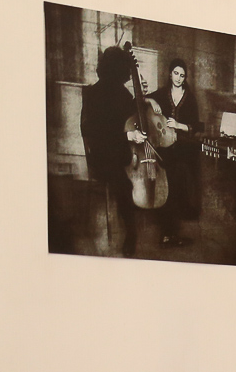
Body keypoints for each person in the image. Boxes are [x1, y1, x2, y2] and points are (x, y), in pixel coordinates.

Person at [79, 43, 147, 257]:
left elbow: (133, 116)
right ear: (118, 70)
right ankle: (131, 233)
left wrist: (143, 97)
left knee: (127, 172)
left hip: (120, 152)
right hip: (102, 155)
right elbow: (94, 131)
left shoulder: (122, 93)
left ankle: (136, 210)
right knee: (123, 182)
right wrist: (128, 136)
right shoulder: (93, 94)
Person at [147, 57, 203, 249]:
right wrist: (150, 100)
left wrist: (179, 125)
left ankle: (171, 228)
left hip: (184, 146)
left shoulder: (190, 97)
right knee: (167, 174)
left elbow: (196, 126)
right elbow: (139, 99)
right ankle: (168, 231)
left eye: (182, 75)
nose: (179, 78)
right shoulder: (162, 94)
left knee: (178, 173)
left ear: (185, 78)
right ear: (170, 74)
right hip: (165, 146)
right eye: (176, 73)